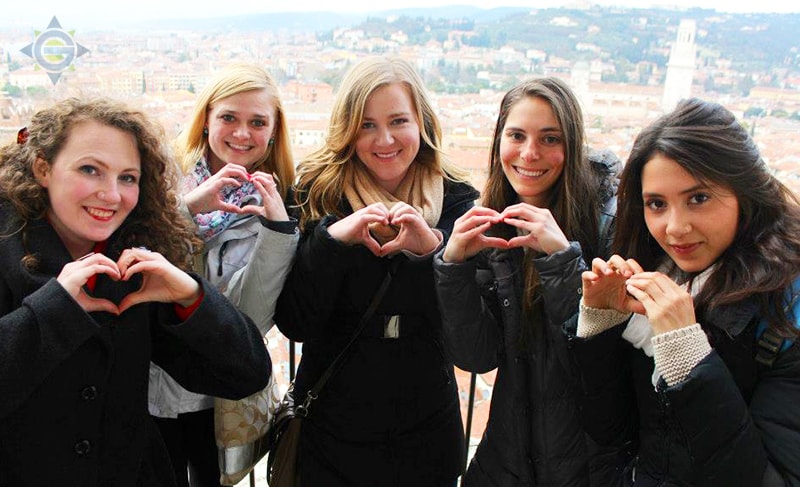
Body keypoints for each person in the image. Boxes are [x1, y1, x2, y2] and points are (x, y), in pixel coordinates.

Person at [0, 97, 272, 486]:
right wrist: (54, 310)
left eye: (127, 177)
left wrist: (191, 298)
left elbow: (245, 373)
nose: (111, 195)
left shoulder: (130, 258)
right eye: (90, 170)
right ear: (43, 168)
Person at [568, 97, 800, 485]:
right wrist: (600, 325)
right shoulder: (652, 273)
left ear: (746, 191)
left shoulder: (787, 315)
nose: (675, 228)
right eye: (656, 204)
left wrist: (690, 359)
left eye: (699, 198)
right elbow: (608, 431)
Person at [274, 56, 477, 487]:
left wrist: (432, 253)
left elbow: (466, 335)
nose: (384, 139)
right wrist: (333, 241)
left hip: (424, 435)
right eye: (367, 125)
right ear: (348, 129)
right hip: (333, 432)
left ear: (421, 122)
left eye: (398, 121)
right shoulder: (317, 194)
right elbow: (296, 321)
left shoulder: (458, 201)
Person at [432, 77, 622, 486]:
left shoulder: (609, 223)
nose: (530, 153)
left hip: (589, 466)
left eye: (549, 138)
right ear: (498, 140)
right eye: (516, 135)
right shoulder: (496, 220)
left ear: (571, 145)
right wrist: (453, 266)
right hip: (509, 459)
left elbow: (599, 366)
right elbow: (478, 356)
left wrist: (562, 260)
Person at [147, 63, 298, 487]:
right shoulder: (161, 181)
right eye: (229, 117)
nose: (242, 134)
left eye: (257, 122)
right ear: (207, 119)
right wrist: (188, 209)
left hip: (217, 394)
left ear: (273, 131)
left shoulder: (281, 203)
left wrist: (277, 230)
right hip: (149, 381)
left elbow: (250, 317)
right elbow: (133, 262)